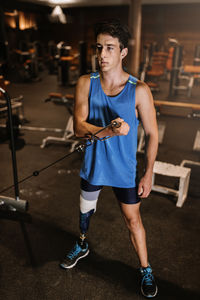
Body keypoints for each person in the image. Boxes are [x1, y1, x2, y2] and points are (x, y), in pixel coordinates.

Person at [60, 19, 158, 299]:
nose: (101, 54)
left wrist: (149, 172)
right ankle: (82, 243)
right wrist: (110, 130)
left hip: (124, 170)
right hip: (93, 166)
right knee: (84, 213)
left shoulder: (139, 90)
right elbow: (79, 128)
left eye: (110, 48)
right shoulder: (85, 83)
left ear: (123, 52)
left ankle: (145, 268)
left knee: (133, 221)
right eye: (99, 47)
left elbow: (153, 135)